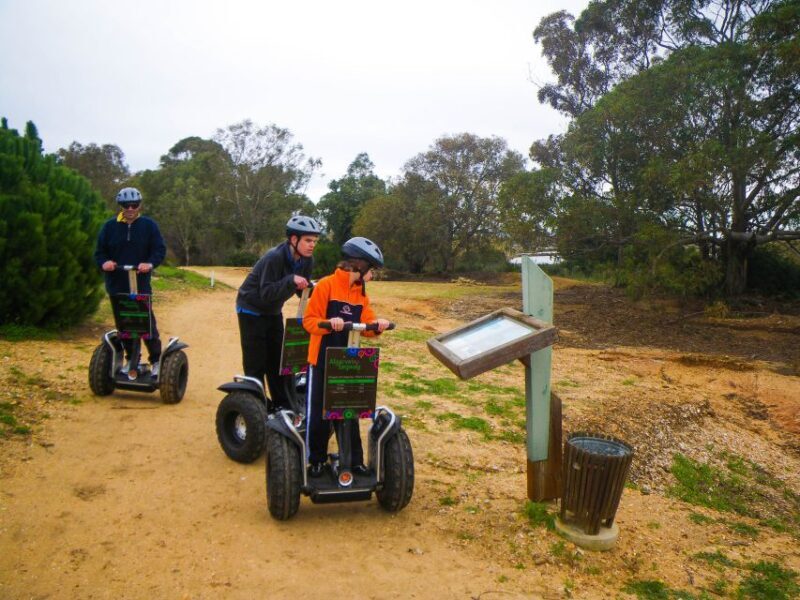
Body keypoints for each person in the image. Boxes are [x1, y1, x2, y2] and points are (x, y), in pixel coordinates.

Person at [302, 237, 391, 477]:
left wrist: (378, 325)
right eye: (371, 269)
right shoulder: (326, 286)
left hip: (348, 362)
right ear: (359, 266)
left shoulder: (360, 295)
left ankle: (354, 461)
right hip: (321, 360)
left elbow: (368, 325)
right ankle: (317, 459)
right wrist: (330, 324)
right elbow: (309, 322)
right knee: (320, 413)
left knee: (349, 411)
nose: (372, 275)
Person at [236, 215, 322, 409]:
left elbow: (302, 292)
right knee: (255, 362)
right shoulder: (273, 257)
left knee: (278, 361)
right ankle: (256, 407)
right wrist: (290, 279)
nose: (312, 245)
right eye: (308, 240)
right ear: (294, 239)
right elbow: (266, 293)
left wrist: (315, 287)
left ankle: (283, 405)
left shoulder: (307, 260)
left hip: (273, 311)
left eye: (314, 241)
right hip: (251, 309)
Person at [94, 187, 167, 376]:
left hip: (139, 283)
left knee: (146, 323)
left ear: (139, 205)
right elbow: (100, 252)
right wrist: (105, 263)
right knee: (124, 324)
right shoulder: (109, 227)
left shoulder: (149, 226)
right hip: (117, 284)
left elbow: (159, 250)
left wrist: (149, 263)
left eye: (134, 205)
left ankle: (156, 361)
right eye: (126, 205)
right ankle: (131, 360)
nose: (130, 209)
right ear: (121, 206)